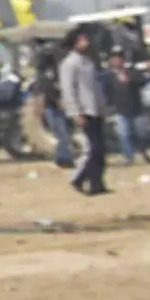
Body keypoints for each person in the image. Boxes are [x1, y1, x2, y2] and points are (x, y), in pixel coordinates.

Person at [55, 30, 116, 197]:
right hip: (83, 111)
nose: (86, 43)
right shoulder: (69, 64)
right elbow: (68, 90)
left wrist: (103, 108)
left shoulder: (88, 62)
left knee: (101, 150)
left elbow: (96, 88)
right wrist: (75, 112)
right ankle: (79, 179)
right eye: (83, 40)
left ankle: (97, 183)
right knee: (93, 149)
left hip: (95, 109)